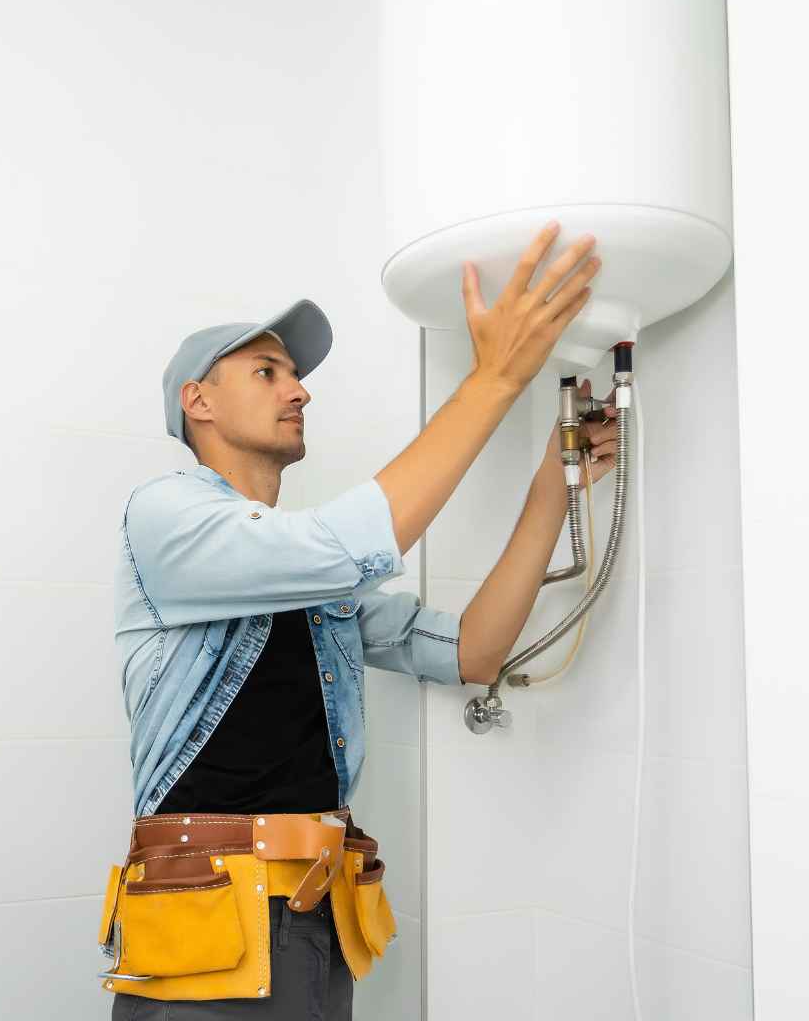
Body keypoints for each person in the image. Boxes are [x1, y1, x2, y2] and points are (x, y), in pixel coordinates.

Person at [107, 223, 619, 1019]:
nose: (300, 389)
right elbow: (345, 546)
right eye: (268, 370)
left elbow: (474, 650)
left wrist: (562, 477)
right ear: (197, 402)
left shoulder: (307, 583)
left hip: (314, 921)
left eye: (297, 376)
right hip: (202, 923)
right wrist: (495, 379)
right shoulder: (165, 516)